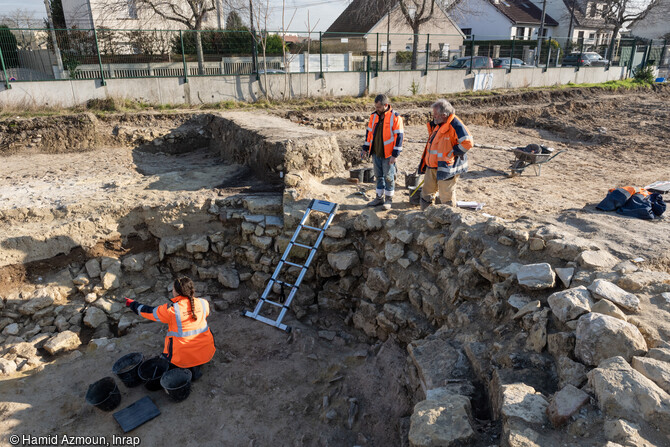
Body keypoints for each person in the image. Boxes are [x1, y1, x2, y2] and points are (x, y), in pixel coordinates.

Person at [125, 277, 215, 380]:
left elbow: (149, 311)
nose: (172, 291)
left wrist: (132, 304)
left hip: (183, 357)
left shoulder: (172, 310)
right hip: (205, 351)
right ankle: (196, 364)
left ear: (177, 292)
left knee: (170, 358)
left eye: (173, 289)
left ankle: (190, 369)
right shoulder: (203, 303)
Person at [418, 99, 473, 210]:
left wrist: (454, 152)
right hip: (432, 165)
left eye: (435, 115)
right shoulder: (440, 123)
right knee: (427, 193)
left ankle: (448, 220)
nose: (433, 117)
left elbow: (468, 142)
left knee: (446, 196)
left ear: (443, 115)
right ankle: (425, 215)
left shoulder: (455, 124)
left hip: (447, 167)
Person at [361, 94, 404, 210]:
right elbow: (369, 133)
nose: (377, 109)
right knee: (378, 176)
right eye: (375, 106)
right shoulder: (373, 116)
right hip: (376, 152)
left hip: (388, 154)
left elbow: (399, 137)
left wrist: (395, 155)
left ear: (385, 105)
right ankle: (379, 198)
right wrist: (365, 148)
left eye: (379, 107)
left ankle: (388, 200)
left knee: (388, 177)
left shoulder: (395, 117)